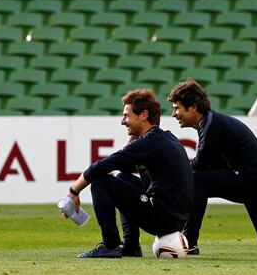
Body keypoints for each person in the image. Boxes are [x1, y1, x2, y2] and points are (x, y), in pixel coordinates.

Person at [168, 79, 257, 255]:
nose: (173, 114)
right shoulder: (214, 122)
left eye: (176, 108)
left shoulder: (210, 124)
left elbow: (199, 165)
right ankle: (188, 241)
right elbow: (213, 166)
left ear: (192, 107)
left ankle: (189, 242)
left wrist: (172, 168)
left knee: (198, 179)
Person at [63, 89, 193, 258]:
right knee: (122, 177)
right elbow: (123, 160)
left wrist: (73, 192)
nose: (123, 121)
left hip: (163, 219)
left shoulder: (149, 143)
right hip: (175, 217)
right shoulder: (163, 138)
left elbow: (101, 166)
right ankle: (131, 245)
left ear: (144, 115)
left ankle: (110, 245)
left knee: (100, 181)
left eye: (127, 115)